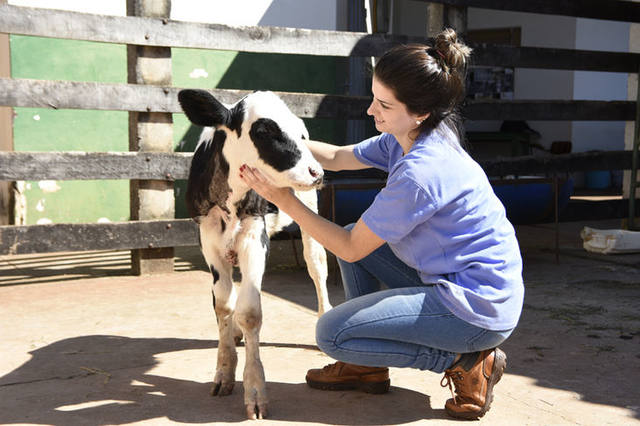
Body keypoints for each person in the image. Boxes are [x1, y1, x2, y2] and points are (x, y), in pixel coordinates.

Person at [239, 28, 524, 420]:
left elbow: (350, 246)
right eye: (374, 98)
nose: (372, 111)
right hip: (460, 280)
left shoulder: (420, 174)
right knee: (358, 239)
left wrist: (285, 199)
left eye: (384, 105)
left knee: (332, 334)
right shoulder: (411, 134)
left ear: (420, 112)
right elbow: (338, 156)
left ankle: (466, 360)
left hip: (475, 308)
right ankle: (367, 366)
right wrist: (275, 143)